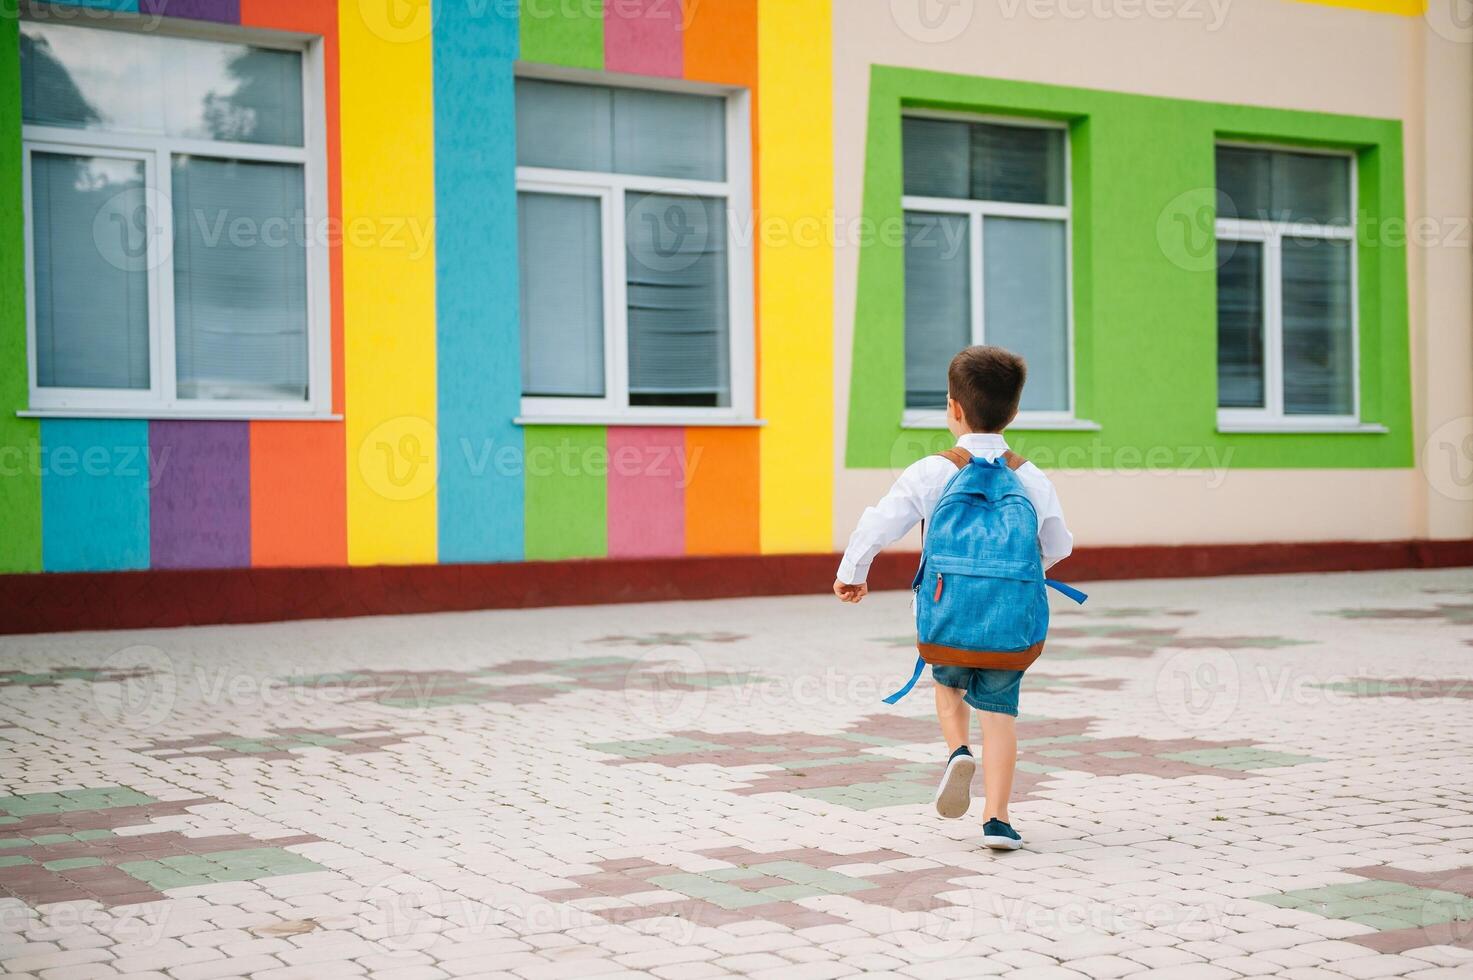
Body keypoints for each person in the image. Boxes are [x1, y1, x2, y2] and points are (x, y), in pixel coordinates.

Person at [833, 345, 1073, 850]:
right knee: (1002, 716)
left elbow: (880, 522)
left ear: (954, 408)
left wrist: (853, 571)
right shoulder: (1029, 476)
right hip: (1010, 625)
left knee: (949, 683)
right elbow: (1057, 545)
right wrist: (1016, 577)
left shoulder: (931, 471)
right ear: (1014, 412)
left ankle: (958, 751)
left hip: (946, 615)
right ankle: (998, 820)